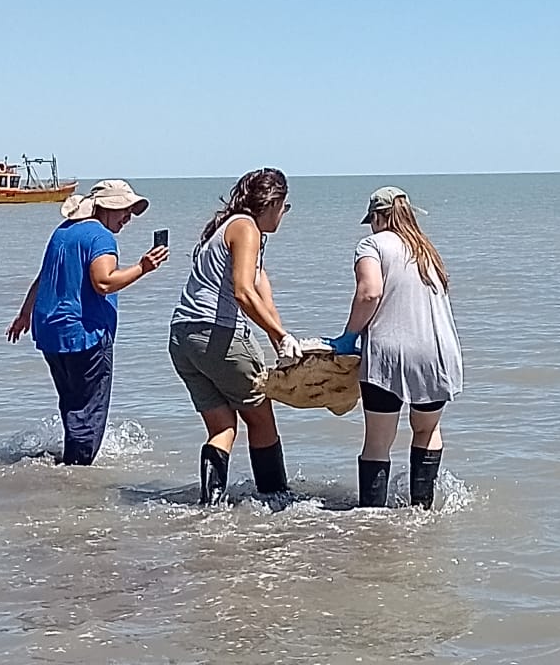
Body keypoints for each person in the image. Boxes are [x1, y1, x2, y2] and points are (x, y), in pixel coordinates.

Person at [6, 180, 168, 465]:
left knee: (73, 406)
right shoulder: (100, 237)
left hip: (51, 332)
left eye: (130, 211)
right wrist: (143, 267)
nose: (128, 217)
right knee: (89, 413)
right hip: (85, 333)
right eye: (124, 210)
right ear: (104, 208)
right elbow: (103, 282)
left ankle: (67, 465)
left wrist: (25, 314)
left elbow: (44, 277)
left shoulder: (63, 231)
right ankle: (76, 475)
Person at [168, 167, 303, 505]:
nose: (283, 215)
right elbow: (243, 292)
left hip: (183, 338)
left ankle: (209, 508)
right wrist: (281, 336)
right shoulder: (246, 228)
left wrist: (281, 342)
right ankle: (276, 499)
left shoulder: (228, 228)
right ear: (272, 202)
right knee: (261, 418)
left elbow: (263, 297)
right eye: (284, 207)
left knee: (223, 427)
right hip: (217, 333)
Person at [326, 186, 463, 509]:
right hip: (438, 353)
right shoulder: (426, 250)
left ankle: (372, 518)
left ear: (377, 217)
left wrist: (348, 336)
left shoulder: (372, 245)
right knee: (427, 430)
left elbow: (370, 293)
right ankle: (422, 511)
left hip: (390, 354)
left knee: (378, 441)